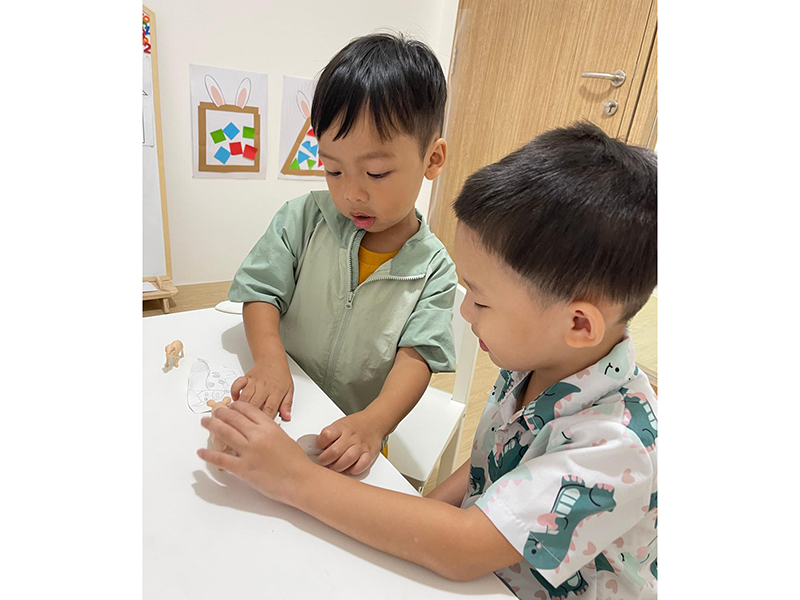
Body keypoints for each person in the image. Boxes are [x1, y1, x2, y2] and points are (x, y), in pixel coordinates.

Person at [205, 122, 658, 600]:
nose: (465, 313)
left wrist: (294, 479)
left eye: (481, 300)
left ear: (579, 324)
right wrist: (419, 512)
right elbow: (493, 464)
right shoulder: (540, 359)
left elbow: (465, 548)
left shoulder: (618, 446)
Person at [228, 32, 456, 475]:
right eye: (333, 169)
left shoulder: (434, 269)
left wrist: (375, 423)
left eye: (376, 172)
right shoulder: (302, 219)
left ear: (432, 159)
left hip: (353, 432)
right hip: (286, 399)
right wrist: (270, 360)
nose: (351, 193)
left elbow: (419, 357)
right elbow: (259, 291)